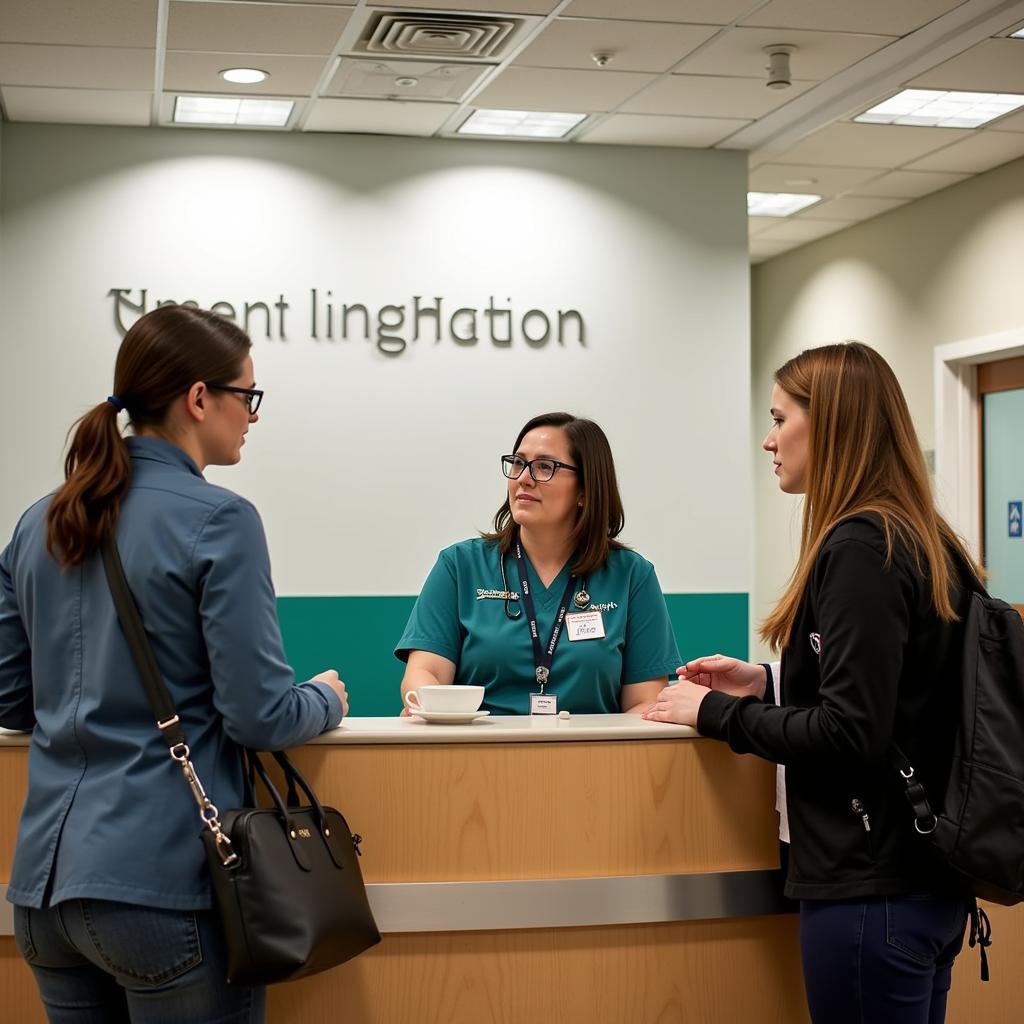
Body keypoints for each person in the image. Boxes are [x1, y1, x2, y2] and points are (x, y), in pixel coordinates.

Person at [0, 305, 349, 1023]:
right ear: (199, 398)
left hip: (42, 893)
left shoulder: (37, 521)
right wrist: (325, 697)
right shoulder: (220, 518)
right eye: (247, 397)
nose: (252, 416)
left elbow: (10, 702)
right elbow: (260, 715)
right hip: (162, 889)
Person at [644, 342, 978, 1024]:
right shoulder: (921, 535)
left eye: (779, 418)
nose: (768, 441)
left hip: (871, 892)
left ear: (829, 424)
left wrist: (714, 713)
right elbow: (904, 691)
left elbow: (851, 731)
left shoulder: (860, 549)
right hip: (928, 885)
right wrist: (767, 681)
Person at [396, 412, 680, 716]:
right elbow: (426, 675)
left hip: (592, 756)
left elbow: (645, 702)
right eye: (518, 463)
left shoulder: (631, 576)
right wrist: (429, 707)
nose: (523, 478)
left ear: (585, 490)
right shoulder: (460, 566)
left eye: (544, 466)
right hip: (478, 756)